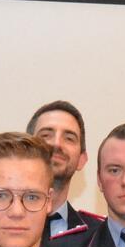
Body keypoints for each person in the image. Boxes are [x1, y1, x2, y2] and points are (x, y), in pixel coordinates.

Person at [27, 100, 102, 238]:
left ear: (81, 160)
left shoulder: (99, 237)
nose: (56, 143)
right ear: (25, 151)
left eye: (69, 138)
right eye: (45, 135)